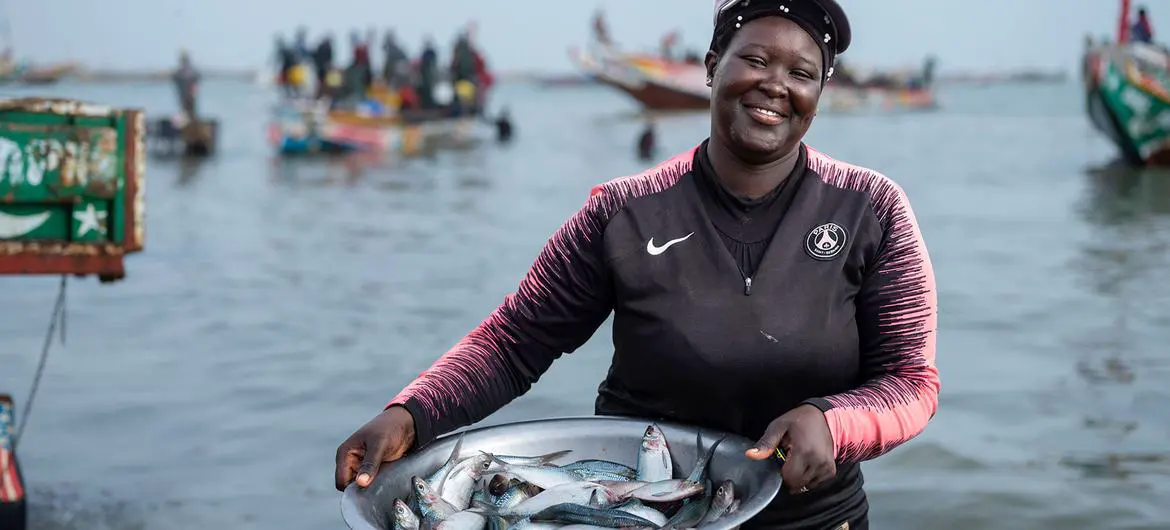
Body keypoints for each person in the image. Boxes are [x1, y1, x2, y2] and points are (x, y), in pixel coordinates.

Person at [334, 1, 939, 528]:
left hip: (813, 519)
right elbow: (515, 340)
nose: (775, 84)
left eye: (801, 73)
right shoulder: (622, 211)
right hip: (637, 515)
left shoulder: (872, 208)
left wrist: (833, 423)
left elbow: (912, 382)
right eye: (755, 60)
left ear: (818, 95)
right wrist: (410, 414)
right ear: (711, 66)